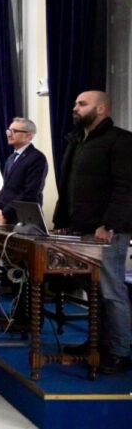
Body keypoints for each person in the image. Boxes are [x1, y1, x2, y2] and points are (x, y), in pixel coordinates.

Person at [53, 91, 132, 374]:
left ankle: (121, 352)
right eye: (75, 103)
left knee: (111, 292)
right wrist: (61, 220)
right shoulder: (78, 141)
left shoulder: (121, 140)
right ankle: (97, 343)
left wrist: (108, 224)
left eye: (81, 104)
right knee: (92, 289)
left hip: (105, 231)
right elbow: (68, 185)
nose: (75, 108)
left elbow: (125, 189)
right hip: (79, 229)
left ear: (101, 108)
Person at [0, 118, 48, 224]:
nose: (9, 134)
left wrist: (5, 213)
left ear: (29, 136)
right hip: (6, 217)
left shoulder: (37, 157)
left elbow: (30, 193)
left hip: (25, 218)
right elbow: (6, 188)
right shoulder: (10, 158)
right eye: (8, 131)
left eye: (14, 131)